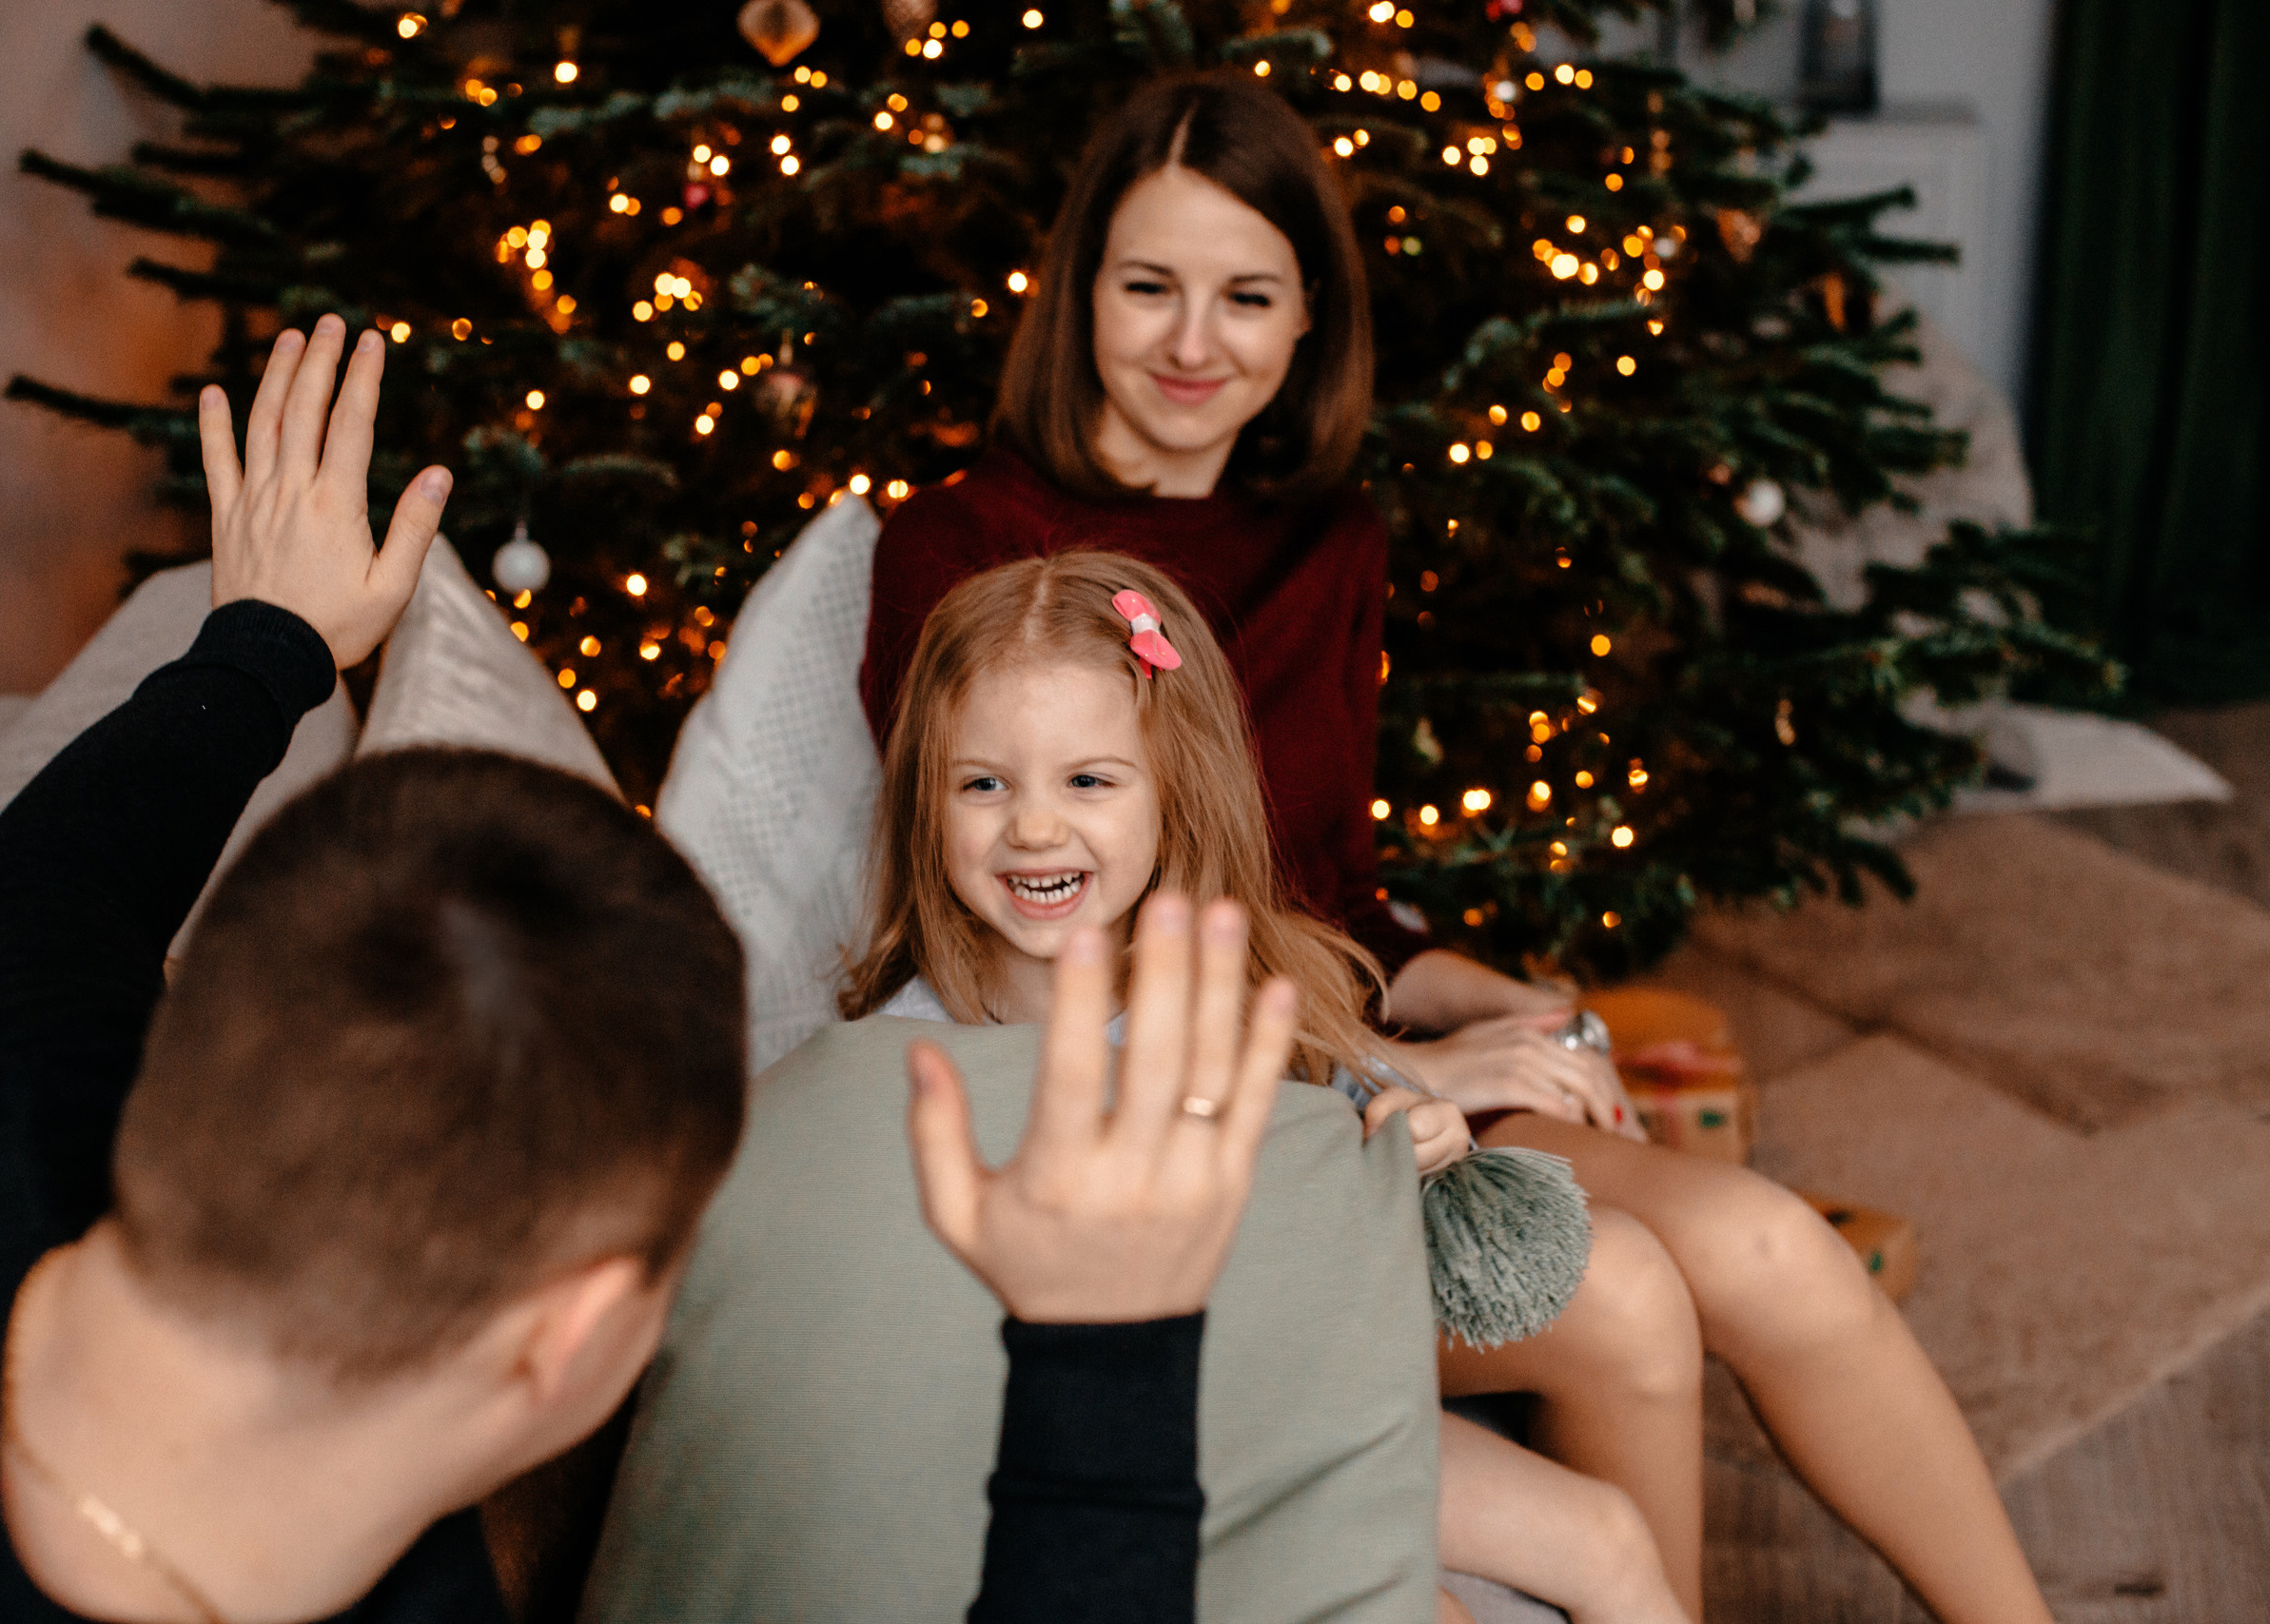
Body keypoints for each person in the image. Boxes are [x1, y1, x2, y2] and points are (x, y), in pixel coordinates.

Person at [0, 314, 1297, 1624]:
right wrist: (1110, 1357)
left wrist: (264, 645)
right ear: (573, 1342)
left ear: (201, 1022)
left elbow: (40, 906)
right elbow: (36, 914)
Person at [861, 71, 2055, 1624]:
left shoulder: (1331, 535)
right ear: (1078, 293)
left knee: (1764, 1243)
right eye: (1147, 286)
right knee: (1621, 1284)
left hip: (1339, 1049)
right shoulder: (963, 552)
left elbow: (1331, 891)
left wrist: (1508, 1011)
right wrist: (1394, 1070)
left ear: (1309, 327)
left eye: (1246, 295)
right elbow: (1018, 913)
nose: (1192, 343)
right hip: (1192, 1109)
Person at [844, 549, 1693, 1624]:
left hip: (1286, 1401)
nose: (1034, 827)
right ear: (929, 799)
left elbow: (1370, 1125)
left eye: (1088, 781)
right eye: (984, 784)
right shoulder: (908, 1058)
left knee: (1608, 1542)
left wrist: (1419, 1142)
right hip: (1109, 1434)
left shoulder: (1250, 991)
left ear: (1172, 790)